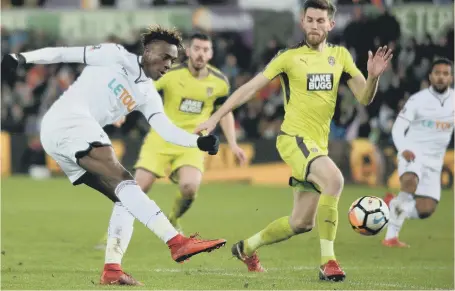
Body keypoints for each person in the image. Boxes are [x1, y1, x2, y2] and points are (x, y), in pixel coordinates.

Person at [1, 26, 226, 286]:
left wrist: (198, 142)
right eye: (165, 57)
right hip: (66, 120)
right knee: (125, 181)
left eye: (173, 60)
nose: (168, 64)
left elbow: (165, 129)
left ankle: (112, 269)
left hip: (71, 135)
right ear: (149, 50)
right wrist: (24, 58)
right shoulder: (113, 55)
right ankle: (177, 242)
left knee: (126, 198)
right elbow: (63, 53)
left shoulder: (147, 94)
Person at [195, 0, 392, 281]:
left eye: (320, 21)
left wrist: (373, 77)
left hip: (317, 146)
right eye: (310, 20)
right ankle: (329, 263)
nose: (314, 25)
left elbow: (365, 97)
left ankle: (247, 248)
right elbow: (250, 88)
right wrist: (215, 119)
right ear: (302, 22)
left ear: (330, 25)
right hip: (294, 139)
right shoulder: (288, 57)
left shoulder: (341, 57)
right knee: (335, 180)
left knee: (301, 223)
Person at [96, 32, 246, 273]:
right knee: (136, 188)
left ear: (211, 53)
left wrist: (234, 144)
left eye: (205, 50)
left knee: (189, 188)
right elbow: (142, 90)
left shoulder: (219, 82)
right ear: (188, 49)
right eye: (197, 48)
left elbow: (225, 112)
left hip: (192, 143)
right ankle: (113, 235)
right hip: (160, 139)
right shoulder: (172, 74)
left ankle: (174, 218)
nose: (200, 53)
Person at [382, 58, 454, 248]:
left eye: (445, 74)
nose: (441, 77)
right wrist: (403, 148)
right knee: (409, 182)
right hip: (412, 152)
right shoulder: (418, 100)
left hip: (435, 160)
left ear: (451, 78)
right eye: (437, 73)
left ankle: (393, 204)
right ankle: (391, 237)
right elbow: (398, 128)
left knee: (426, 210)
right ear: (430, 76)